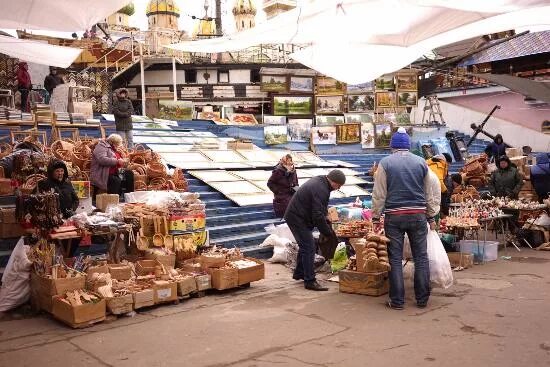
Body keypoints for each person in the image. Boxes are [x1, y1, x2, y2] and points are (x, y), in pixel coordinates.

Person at [372, 127, 440, 310]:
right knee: (421, 257)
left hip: (394, 217)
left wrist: (376, 217)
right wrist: (431, 215)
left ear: (393, 146)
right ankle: (422, 299)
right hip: (418, 216)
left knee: (395, 258)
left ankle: (397, 301)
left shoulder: (385, 163)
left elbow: (379, 194)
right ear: (408, 146)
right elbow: (429, 193)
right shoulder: (421, 162)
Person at [284, 170, 346, 291]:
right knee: (309, 247)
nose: (338, 188)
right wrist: (327, 232)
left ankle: (300, 273)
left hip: (299, 216)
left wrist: (326, 217)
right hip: (297, 218)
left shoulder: (322, 183)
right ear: (334, 182)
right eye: (339, 186)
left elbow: (320, 207)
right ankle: (310, 281)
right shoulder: (321, 188)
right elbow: (317, 214)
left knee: (305, 245)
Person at [37, 160, 81, 257]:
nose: (60, 173)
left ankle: (67, 256)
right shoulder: (44, 184)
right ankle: (59, 258)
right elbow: (38, 200)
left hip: (68, 218)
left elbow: (76, 200)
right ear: (51, 172)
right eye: (57, 171)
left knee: (76, 236)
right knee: (57, 240)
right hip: (52, 220)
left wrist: (71, 210)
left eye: (62, 171)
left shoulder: (67, 183)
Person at [90, 134, 134, 198]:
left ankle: (128, 197)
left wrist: (123, 161)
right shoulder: (101, 146)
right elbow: (102, 160)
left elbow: (117, 158)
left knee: (129, 174)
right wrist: (117, 161)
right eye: (117, 144)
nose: (117, 146)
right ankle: (112, 201)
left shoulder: (112, 148)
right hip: (102, 174)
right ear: (112, 142)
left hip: (115, 172)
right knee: (115, 180)